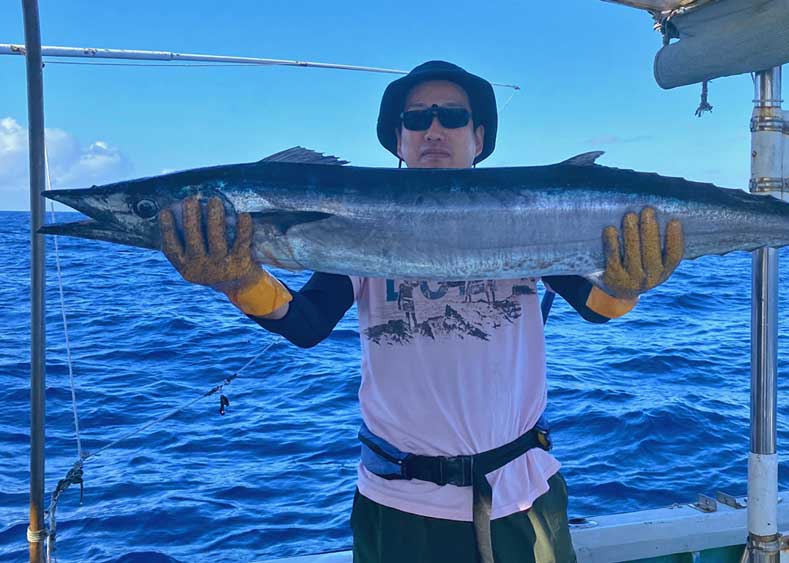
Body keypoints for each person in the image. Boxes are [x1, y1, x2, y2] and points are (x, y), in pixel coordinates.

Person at [159, 60, 684, 563]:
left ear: (478, 139)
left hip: (522, 496)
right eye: (416, 119)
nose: (434, 128)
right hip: (400, 505)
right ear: (399, 140)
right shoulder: (352, 228)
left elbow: (596, 308)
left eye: (452, 116)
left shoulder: (528, 217)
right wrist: (239, 279)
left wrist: (626, 284)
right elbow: (305, 324)